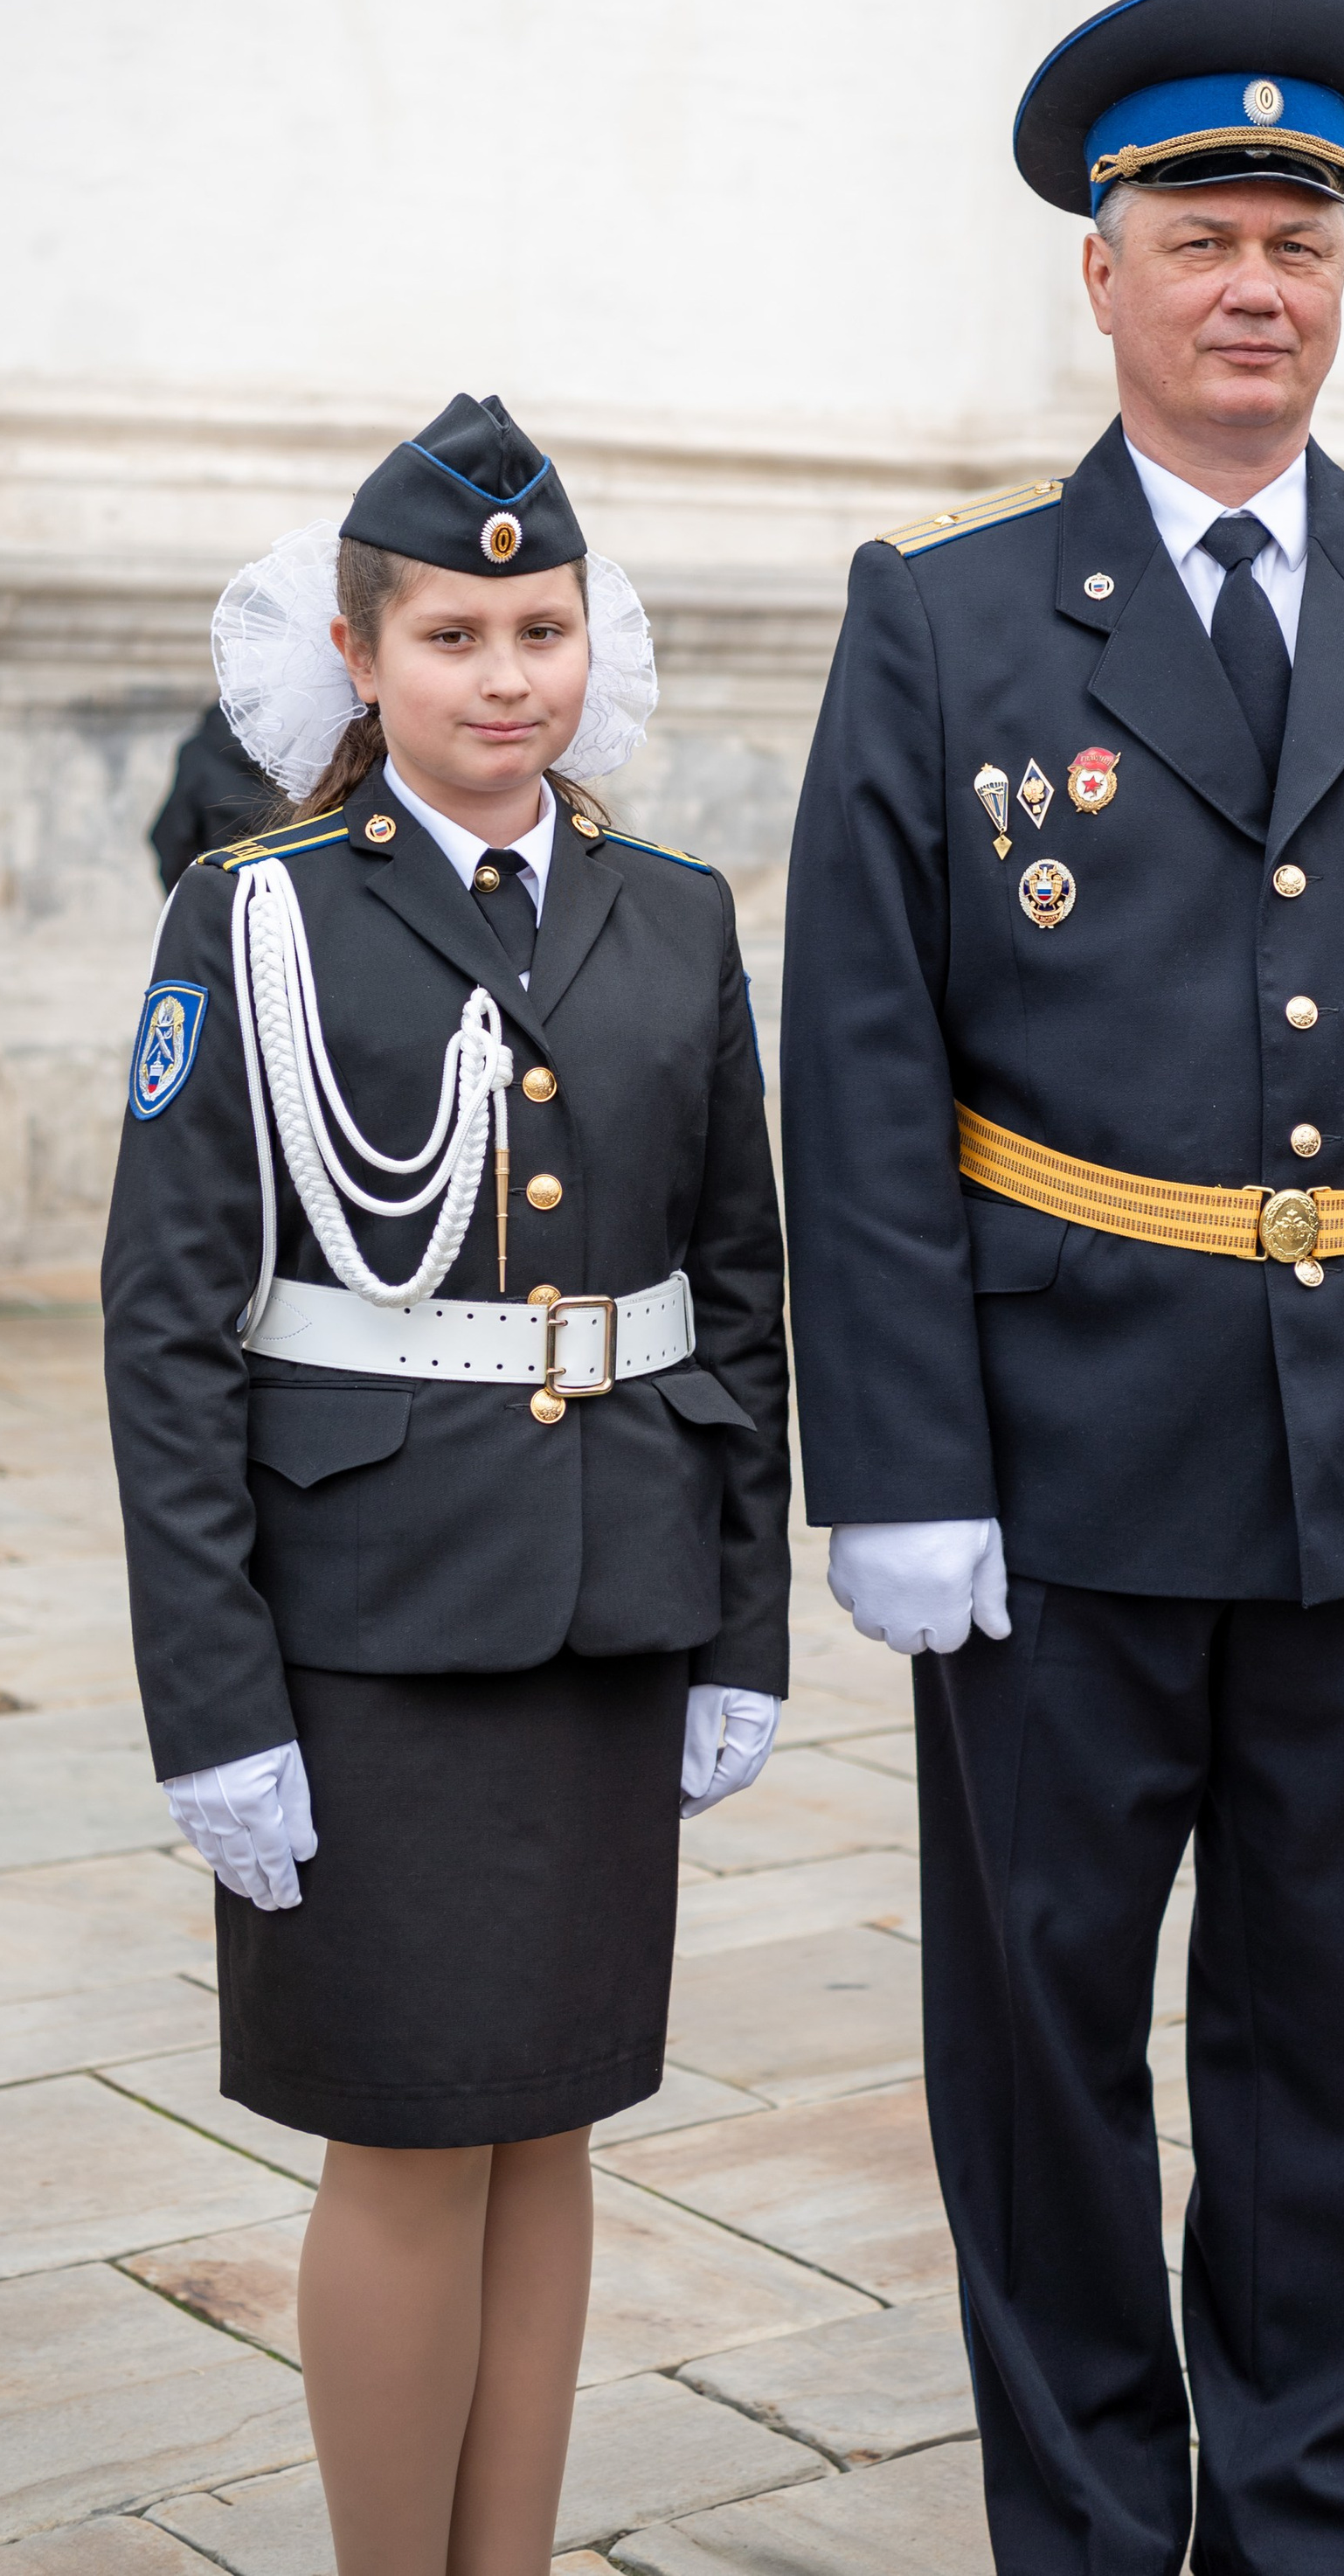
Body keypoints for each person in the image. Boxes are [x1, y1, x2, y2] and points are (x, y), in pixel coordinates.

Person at [779, 0, 1344, 2576]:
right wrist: (901, 1460)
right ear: (1103, 269)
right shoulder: (945, 618)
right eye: (1200, 233)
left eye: (1297, 234)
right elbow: (857, 1062)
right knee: (1042, 2048)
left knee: (1338, 2046)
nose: (1254, 279)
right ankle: (1074, 2530)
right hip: (1051, 1482)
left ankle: (1308, 2526)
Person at [103, 395, 790, 2576]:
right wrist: (210, 1703)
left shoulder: (672, 916)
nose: (508, 678)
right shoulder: (261, 918)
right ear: (358, 655)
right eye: (458, 635)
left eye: (544, 627)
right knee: (405, 2139)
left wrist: (741, 1627)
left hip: (611, 1609)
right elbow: (165, 1336)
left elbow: (744, 1295)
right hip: (367, 1633)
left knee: (556, 2120)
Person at [149, 699, 276, 888]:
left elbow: (173, 840)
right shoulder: (310, 752)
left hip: (226, 892)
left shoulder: (200, 749)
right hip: (301, 897)